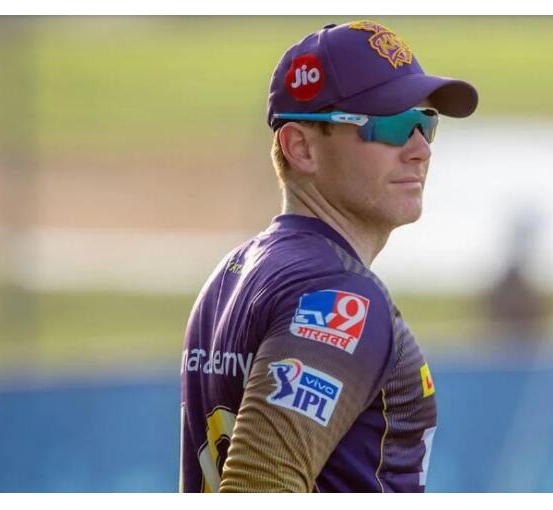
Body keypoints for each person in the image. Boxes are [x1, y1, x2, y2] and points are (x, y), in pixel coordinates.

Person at [179, 20, 478, 493]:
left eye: (425, 123)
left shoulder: (231, 273)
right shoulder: (339, 295)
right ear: (301, 148)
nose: (420, 149)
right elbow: (258, 489)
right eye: (391, 124)